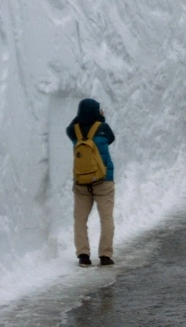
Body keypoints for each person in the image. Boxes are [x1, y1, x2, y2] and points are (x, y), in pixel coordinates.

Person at [66, 98, 116, 267]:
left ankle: (83, 255)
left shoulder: (74, 131)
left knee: (80, 220)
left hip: (81, 181)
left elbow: (68, 128)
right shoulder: (103, 128)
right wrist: (100, 119)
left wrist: (79, 118)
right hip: (104, 180)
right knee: (106, 219)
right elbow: (111, 139)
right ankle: (105, 255)